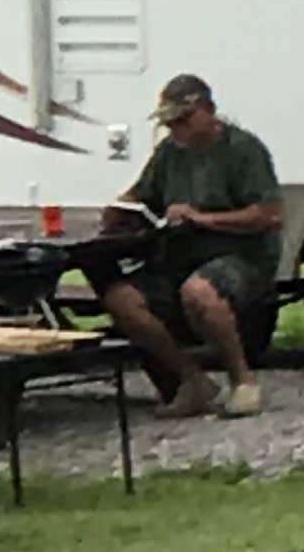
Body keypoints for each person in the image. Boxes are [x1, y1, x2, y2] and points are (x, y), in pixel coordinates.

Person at [98, 73, 282, 418]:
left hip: (239, 254)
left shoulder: (243, 150)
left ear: (207, 111)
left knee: (200, 291)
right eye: (170, 123)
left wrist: (200, 218)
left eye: (182, 120)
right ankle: (190, 378)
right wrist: (119, 209)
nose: (175, 130)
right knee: (120, 298)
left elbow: (268, 215)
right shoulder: (169, 153)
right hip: (179, 254)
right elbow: (141, 193)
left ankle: (241, 381)